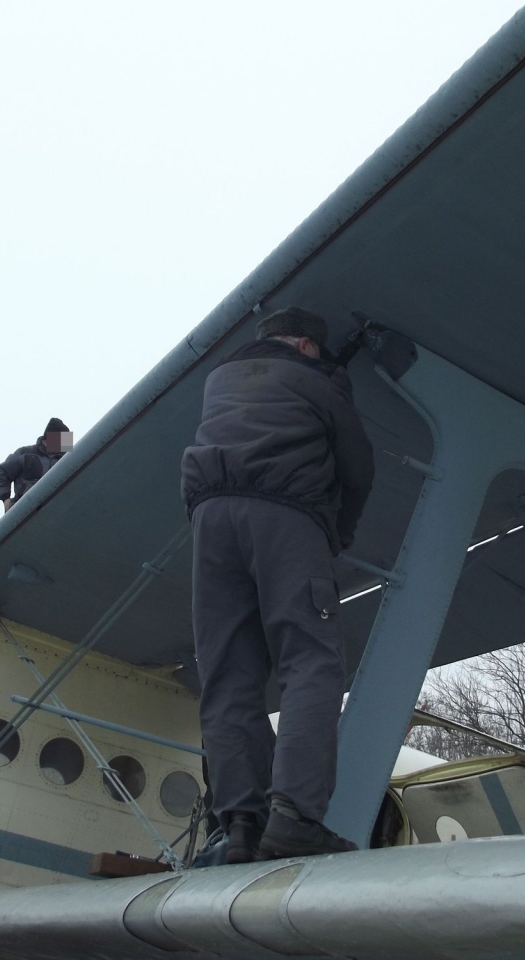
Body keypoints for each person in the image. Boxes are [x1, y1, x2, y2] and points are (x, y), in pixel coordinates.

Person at [181, 306, 374, 864]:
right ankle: (295, 817)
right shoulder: (315, 379)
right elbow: (358, 465)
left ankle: (238, 824)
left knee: (227, 674)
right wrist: (338, 531)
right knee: (310, 662)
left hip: (210, 521)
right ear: (309, 346)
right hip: (286, 515)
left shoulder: (219, 379)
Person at [0, 418, 72, 510]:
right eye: (62, 440)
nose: (65, 445)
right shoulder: (25, 453)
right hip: (25, 509)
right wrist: (5, 498)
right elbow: (3, 471)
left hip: (56, 509)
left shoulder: (66, 459)